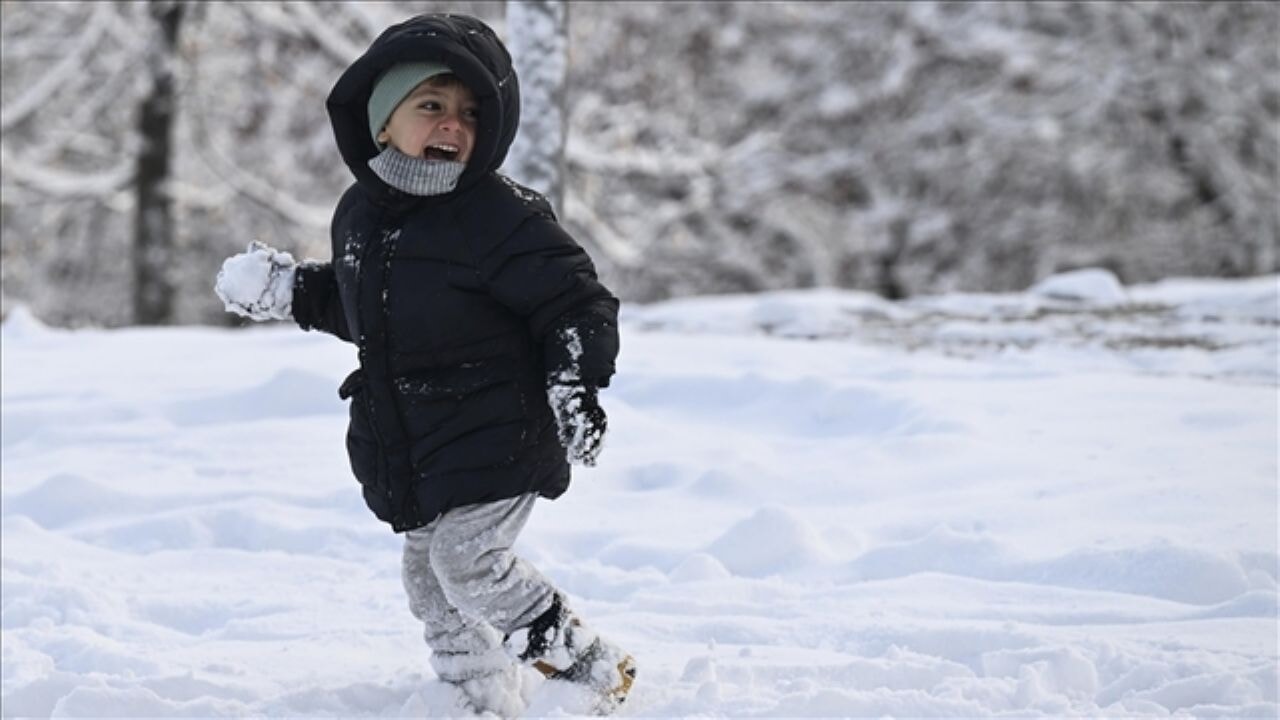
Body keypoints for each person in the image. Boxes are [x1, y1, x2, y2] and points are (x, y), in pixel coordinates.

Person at [213, 12, 634, 716]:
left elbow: (574, 300)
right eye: (431, 106)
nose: (453, 125)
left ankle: (592, 670)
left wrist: (572, 380)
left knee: (468, 564)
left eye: (470, 113)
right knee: (430, 581)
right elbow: (368, 311)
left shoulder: (500, 216)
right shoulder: (361, 215)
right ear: (383, 120)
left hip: (501, 430)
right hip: (424, 443)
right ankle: (477, 698)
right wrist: (291, 290)